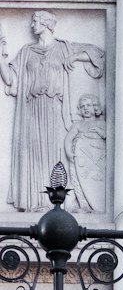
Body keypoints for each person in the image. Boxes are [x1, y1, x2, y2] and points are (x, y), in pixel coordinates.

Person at [0, 11, 104, 210]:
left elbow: (96, 53)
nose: (32, 26)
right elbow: (11, 79)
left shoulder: (63, 48)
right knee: (34, 154)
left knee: (56, 152)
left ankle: (56, 202)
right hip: (31, 110)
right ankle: (38, 201)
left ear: (47, 24)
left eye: (36, 22)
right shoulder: (26, 51)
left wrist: (75, 57)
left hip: (56, 108)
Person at [64, 93, 107, 213]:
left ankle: (95, 205)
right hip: (81, 161)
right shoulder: (78, 125)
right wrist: (68, 151)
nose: (85, 108)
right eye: (82, 106)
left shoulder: (103, 124)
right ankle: (83, 203)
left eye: (88, 105)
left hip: (98, 159)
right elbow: (69, 138)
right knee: (78, 180)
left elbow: (108, 137)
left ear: (95, 107)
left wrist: (100, 132)